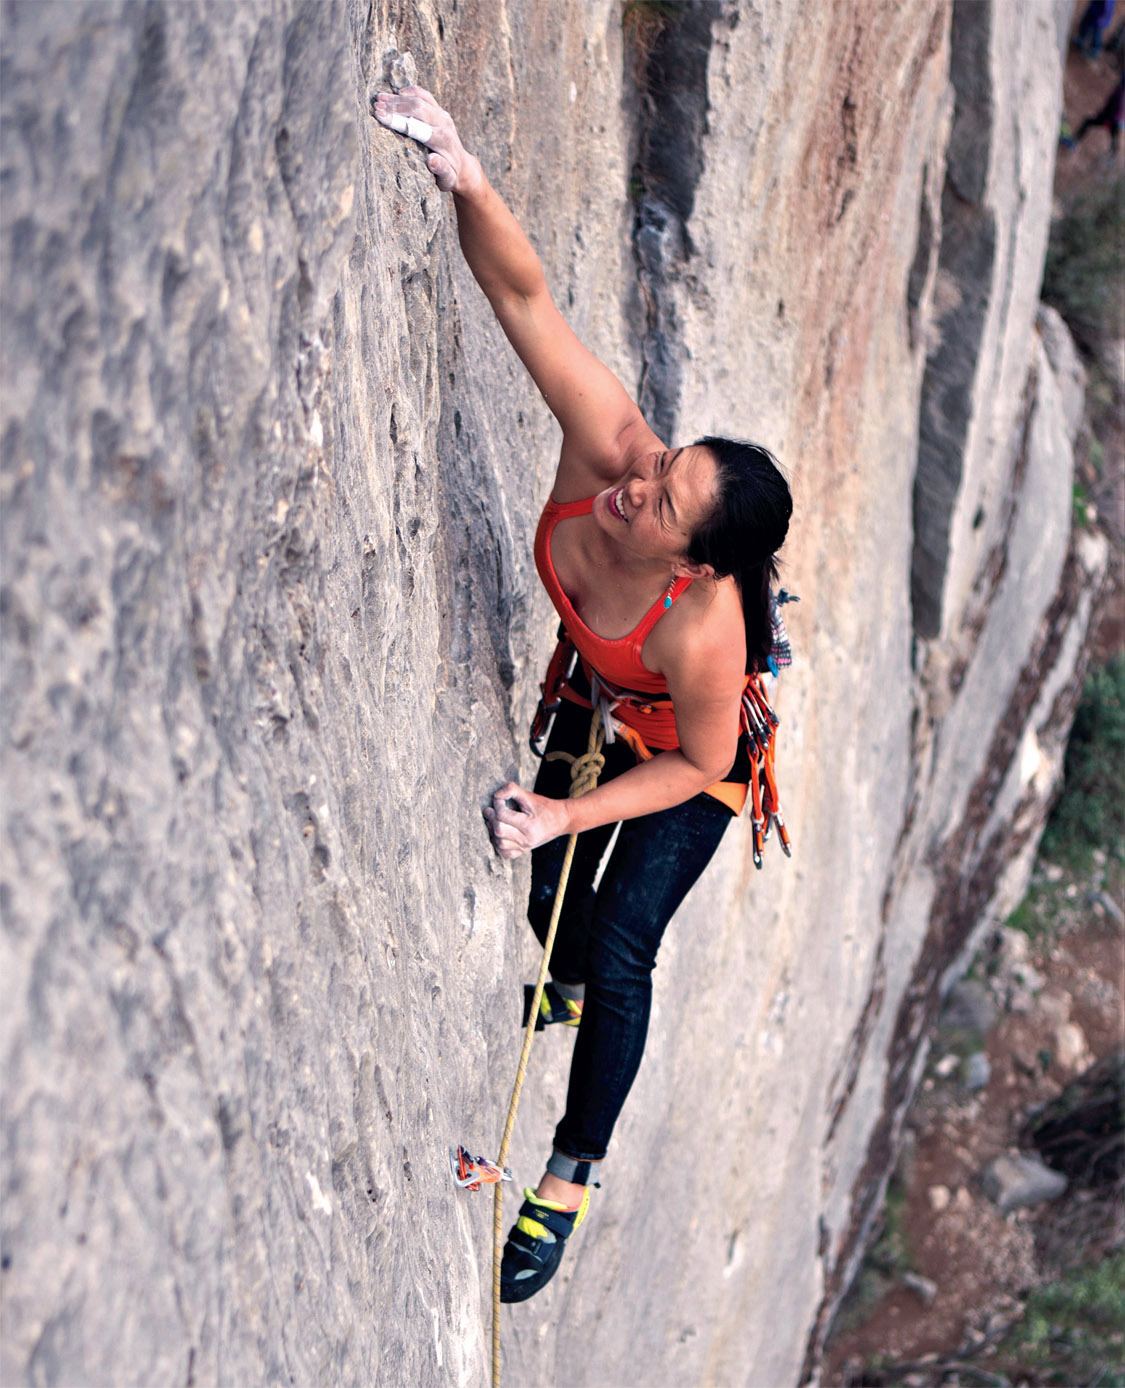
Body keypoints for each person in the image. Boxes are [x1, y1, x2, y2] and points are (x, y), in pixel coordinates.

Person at [373, 86, 793, 1302]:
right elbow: (524, 297)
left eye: (660, 501)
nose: (633, 484)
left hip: (696, 755)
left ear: (701, 566)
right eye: (662, 463)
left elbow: (690, 766)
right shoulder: (613, 449)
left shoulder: (708, 635)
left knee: (615, 944)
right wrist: (466, 172)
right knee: (553, 897)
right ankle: (554, 970)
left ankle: (569, 1169)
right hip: (606, 693)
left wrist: (565, 811)